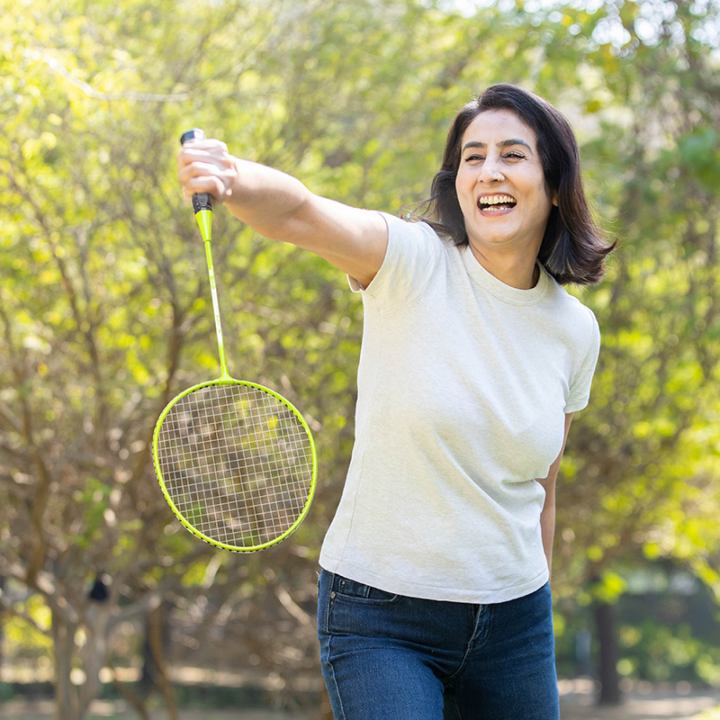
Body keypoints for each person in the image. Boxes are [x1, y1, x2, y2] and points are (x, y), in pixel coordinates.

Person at [178, 83, 615, 720]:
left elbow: (542, 487)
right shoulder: (411, 261)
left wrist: (530, 597)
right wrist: (233, 177)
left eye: (513, 155)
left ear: (554, 184)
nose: (489, 170)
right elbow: (302, 212)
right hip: (382, 616)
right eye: (473, 156)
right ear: (458, 182)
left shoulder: (575, 331)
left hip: (515, 623)